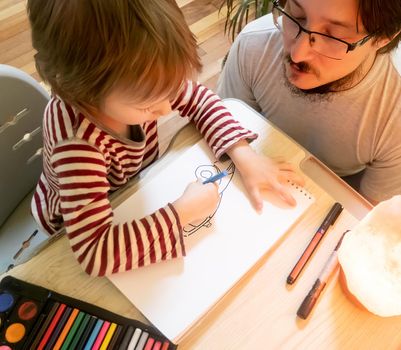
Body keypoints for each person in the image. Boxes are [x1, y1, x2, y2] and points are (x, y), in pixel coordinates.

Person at [27, 0, 304, 276]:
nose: (166, 109)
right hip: (67, 227)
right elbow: (95, 252)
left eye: (169, 92)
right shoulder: (78, 147)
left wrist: (244, 156)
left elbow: (200, 100)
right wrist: (182, 212)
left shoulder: (138, 78)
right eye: (148, 106)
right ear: (83, 93)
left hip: (130, 191)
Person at [217, 0, 401, 205]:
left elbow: (371, 215)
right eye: (296, 15)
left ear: (382, 39)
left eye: (332, 36)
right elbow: (224, 129)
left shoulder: (394, 112)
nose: (297, 53)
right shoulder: (255, 45)